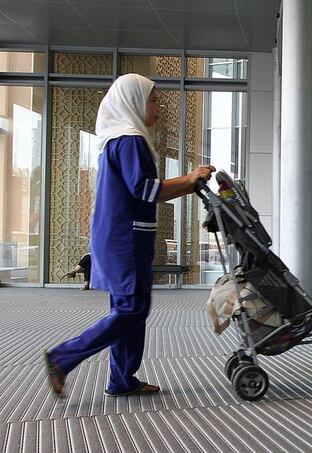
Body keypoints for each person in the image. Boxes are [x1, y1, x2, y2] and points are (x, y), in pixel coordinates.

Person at [45, 73, 215, 397]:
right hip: (126, 238)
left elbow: (150, 193)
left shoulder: (121, 138)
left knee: (131, 308)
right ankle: (62, 357)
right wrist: (190, 177)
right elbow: (146, 189)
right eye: (153, 100)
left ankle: (122, 379)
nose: (158, 107)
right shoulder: (129, 139)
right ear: (133, 101)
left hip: (125, 236)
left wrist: (189, 183)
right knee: (131, 309)